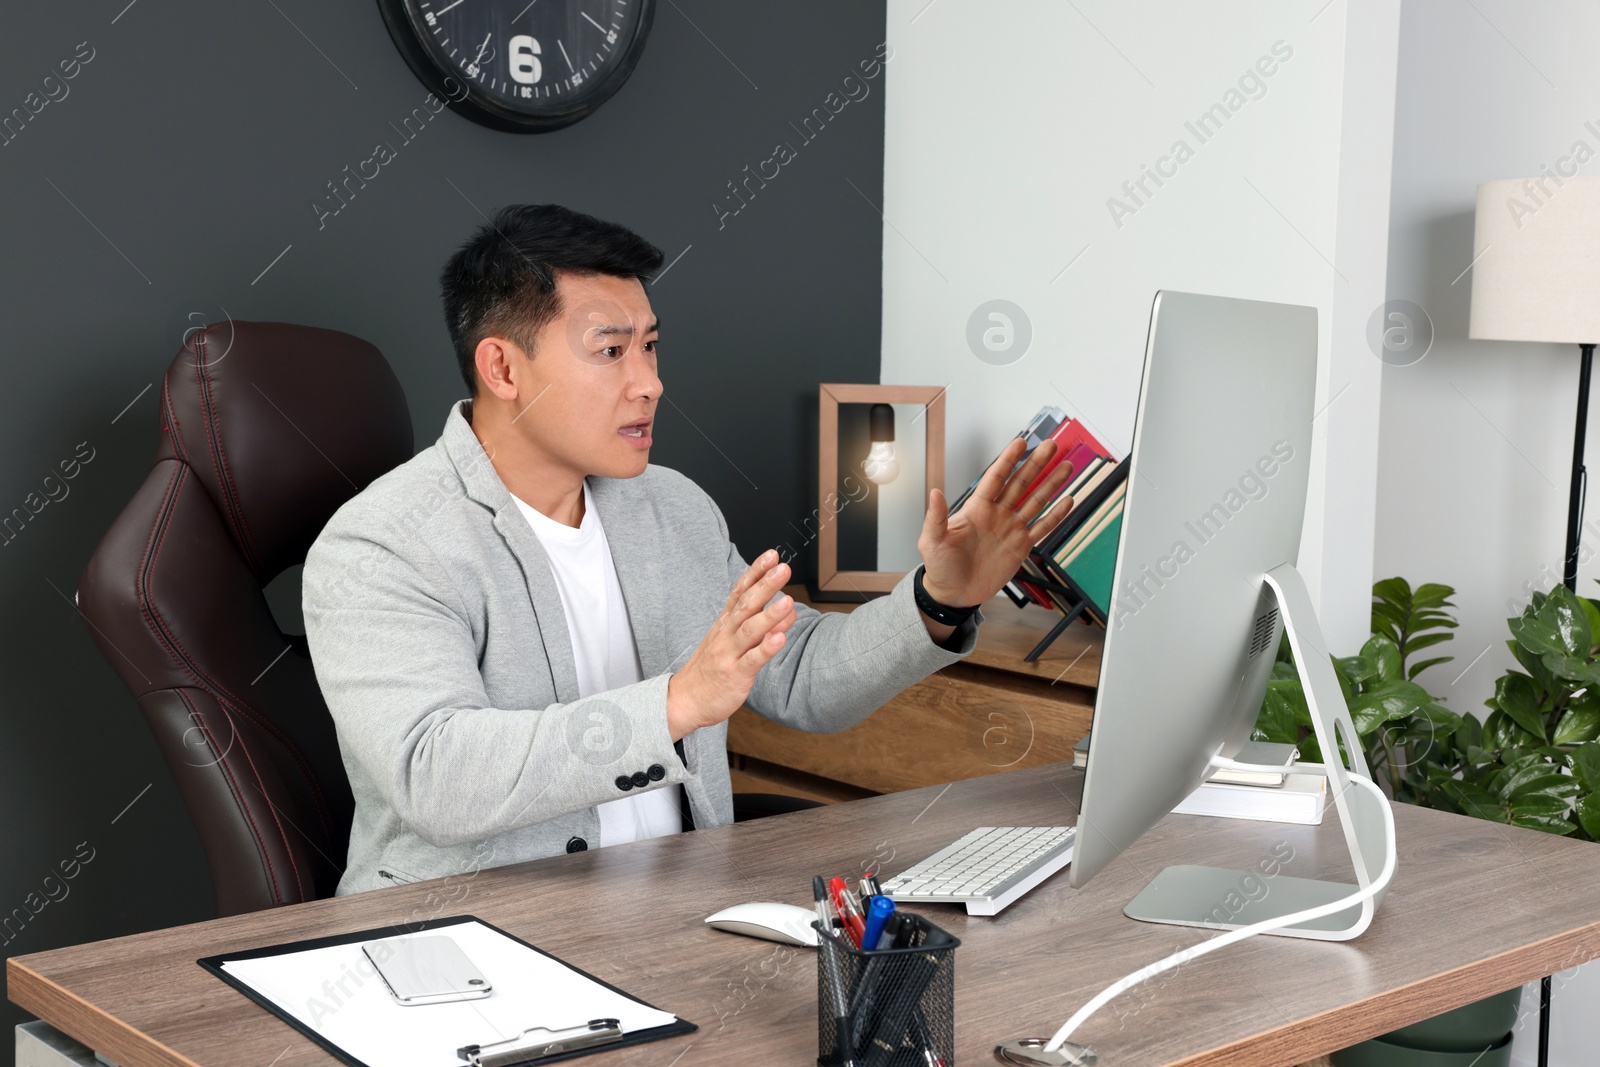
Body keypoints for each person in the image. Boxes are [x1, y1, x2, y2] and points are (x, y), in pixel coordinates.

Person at [302, 204, 1077, 895]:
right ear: (503, 366)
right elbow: (436, 775)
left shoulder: (670, 506)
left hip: (676, 917)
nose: (649, 384)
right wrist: (678, 702)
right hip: (468, 944)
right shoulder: (382, 543)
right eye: (611, 352)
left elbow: (804, 676)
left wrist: (941, 598)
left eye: (651, 347)